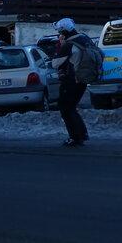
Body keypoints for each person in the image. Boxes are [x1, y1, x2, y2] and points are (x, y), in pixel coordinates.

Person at [51, 17, 90, 147]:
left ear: (63, 31)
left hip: (71, 80)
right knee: (72, 107)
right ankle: (82, 133)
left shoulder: (69, 45)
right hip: (83, 79)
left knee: (66, 108)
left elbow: (55, 64)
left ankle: (75, 137)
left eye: (59, 32)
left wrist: (61, 47)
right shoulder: (84, 39)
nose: (59, 35)